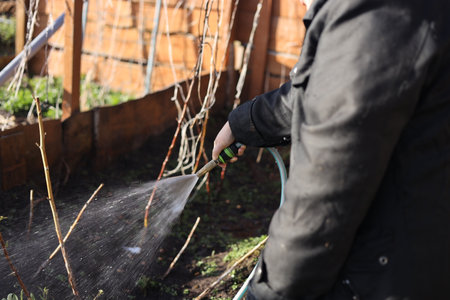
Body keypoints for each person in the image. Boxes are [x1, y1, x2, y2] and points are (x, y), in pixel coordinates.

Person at [212, 0, 450, 299]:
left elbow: (328, 186)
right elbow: (332, 93)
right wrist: (245, 122)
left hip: (386, 277)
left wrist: (271, 291)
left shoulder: (375, 13)